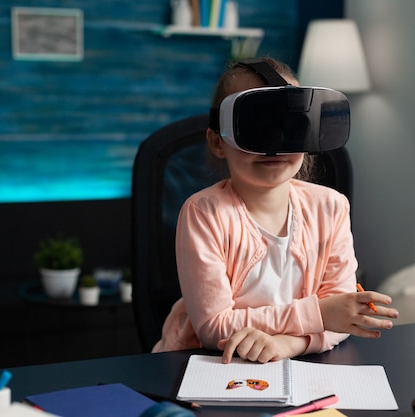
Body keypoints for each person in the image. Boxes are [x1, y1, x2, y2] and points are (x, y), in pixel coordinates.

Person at [153, 57, 398, 363]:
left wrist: (290, 345)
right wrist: (319, 314)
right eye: (256, 126)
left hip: (297, 364)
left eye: (289, 127)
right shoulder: (204, 214)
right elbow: (213, 327)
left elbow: (342, 316)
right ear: (218, 142)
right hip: (208, 363)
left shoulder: (331, 207)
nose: (275, 146)